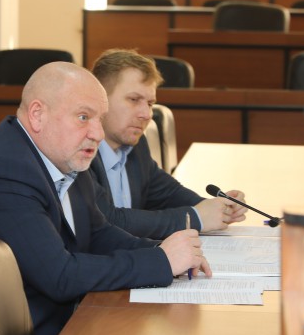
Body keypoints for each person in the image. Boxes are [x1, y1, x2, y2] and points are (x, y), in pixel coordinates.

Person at [0, 62, 209, 335]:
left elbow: (99, 233)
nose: (97, 133)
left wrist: (163, 251)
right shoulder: (5, 172)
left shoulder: (63, 156)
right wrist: (160, 262)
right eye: (83, 117)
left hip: (32, 326)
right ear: (37, 115)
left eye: (99, 119)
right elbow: (60, 276)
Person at [89, 49, 247, 239]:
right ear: (100, 100)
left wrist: (219, 208)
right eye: (134, 100)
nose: (146, 114)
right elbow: (108, 221)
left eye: (150, 103)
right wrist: (196, 217)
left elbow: (167, 193)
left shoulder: (136, 145)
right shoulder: (80, 152)